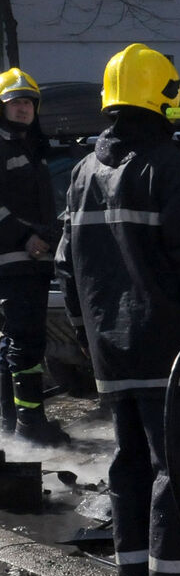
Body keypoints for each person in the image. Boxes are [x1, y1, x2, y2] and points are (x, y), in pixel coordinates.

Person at [54, 43, 180, 576]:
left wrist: (91, 339)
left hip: (114, 353)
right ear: (162, 97)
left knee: (130, 465)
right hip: (173, 351)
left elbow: (69, 268)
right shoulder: (170, 164)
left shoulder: (85, 170)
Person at [0, 67, 68, 445]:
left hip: (34, 261)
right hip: (12, 260)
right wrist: (26, 236)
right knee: (25, 341)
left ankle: (12, 424)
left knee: (14, 341)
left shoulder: (32, 149)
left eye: (28, 102)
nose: (23, 109)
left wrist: (49, 235)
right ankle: (31, 425)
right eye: (15, 103)